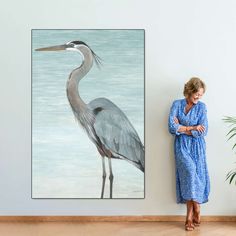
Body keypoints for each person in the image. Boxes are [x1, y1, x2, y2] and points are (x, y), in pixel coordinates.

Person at [168, 77, 210, 231]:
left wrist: (182, 127)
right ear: (190, 91)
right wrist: (192, 127)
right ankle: (197, 207)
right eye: (197, 94)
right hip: (181, 147)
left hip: (198, 148)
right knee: (190, 174)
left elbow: (203, 131)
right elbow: (172, 127)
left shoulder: (202, 107)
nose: (199, 97)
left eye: (201, 94)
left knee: (195, 178)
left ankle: (189, 217)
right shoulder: (176, 104)